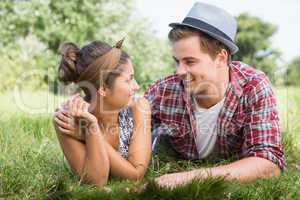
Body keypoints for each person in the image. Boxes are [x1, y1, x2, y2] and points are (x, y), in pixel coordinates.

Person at [144, 2, 285, 188]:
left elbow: (269, 163)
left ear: (221, 58)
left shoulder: (254, 86)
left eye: (190, 62)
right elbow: (123, 134)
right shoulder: (163, 90)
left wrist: (188, 178)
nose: (179, 71)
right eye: (177, 61)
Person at [53, 39, 152, 187]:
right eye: (129, 80)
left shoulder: (138, 107)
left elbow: (136, 175)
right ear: (103, 89)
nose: (137, 86)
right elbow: (97, 181)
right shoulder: (69, 117)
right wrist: (91, 126)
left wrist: (86, 135)